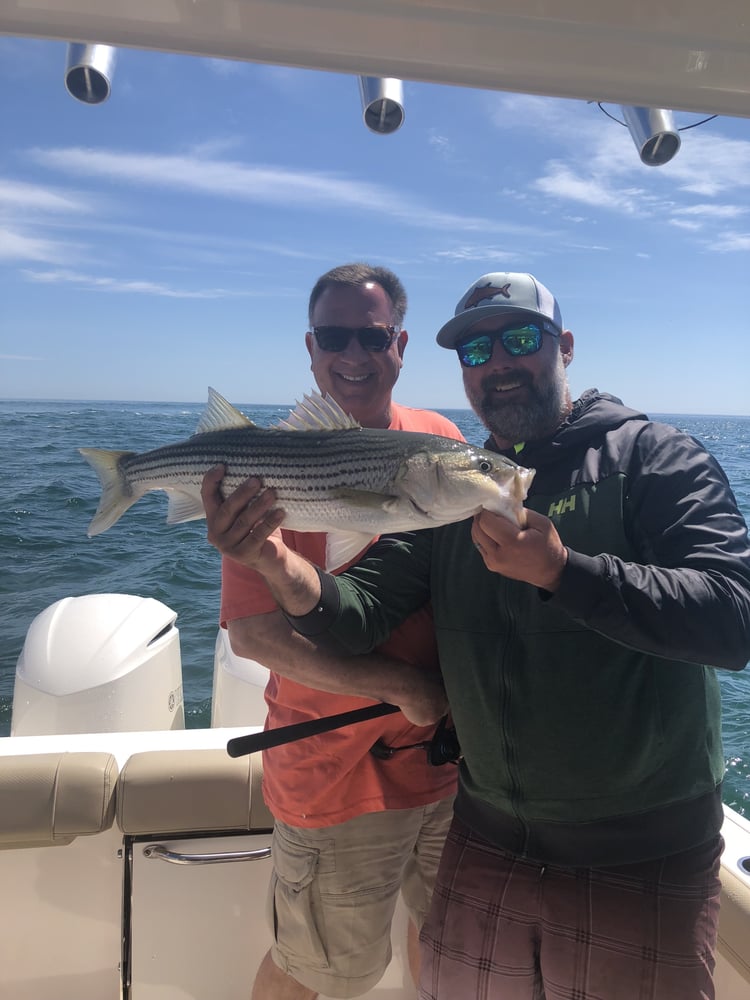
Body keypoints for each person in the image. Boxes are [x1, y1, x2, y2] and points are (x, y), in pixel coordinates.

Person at [203, 270, 750, 1000]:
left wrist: (564, 571)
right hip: (485, 833)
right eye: (475, 350)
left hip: (635, 845)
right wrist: (269, 559)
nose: (498, 363)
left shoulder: (652, 457)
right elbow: (356, 610)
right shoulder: (454, 489)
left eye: (521, 339)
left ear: (566, 348)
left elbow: (734, 615)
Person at [205, 262, 462, 1000]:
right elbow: (254, 637)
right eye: (334, 336)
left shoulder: (438, 438)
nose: (354, 354)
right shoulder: (265, 465)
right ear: (310, 348)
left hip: (445, 768)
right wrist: (399, 684)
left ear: (402, 344)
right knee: (316, 974)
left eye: (373, 336)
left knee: (443, 944)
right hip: (336, 776)